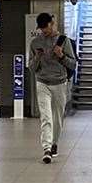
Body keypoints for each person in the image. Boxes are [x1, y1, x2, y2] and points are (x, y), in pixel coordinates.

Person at [28, 11, 75, 163]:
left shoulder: (64, 40)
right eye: (41, 29)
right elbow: (32, 68)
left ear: (52, 24)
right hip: (42, 82)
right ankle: (46, 148)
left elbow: (73, 64)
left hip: (60, 83)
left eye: (46, 27)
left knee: (57, 117)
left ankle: (55, 142)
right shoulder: (35, 43)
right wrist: (37, 58)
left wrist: (61, 56)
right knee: (46, 117)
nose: (44, 31)